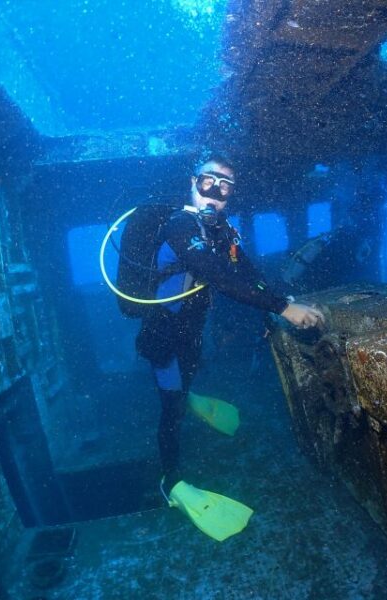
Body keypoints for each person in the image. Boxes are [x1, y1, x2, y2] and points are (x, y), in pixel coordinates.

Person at [134, 155, 324, 496]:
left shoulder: (222, 231)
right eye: (209, 181)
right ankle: (171, 482)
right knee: (171, 411)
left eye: (225, 187)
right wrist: (283, 308)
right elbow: (218, 276)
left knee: (187, 378)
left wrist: (283, 300)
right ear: (193, 182)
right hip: (163, 335)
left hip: (191, 332)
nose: (216, 193)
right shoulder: (180, 226)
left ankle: (186, 394)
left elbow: (247, 272)